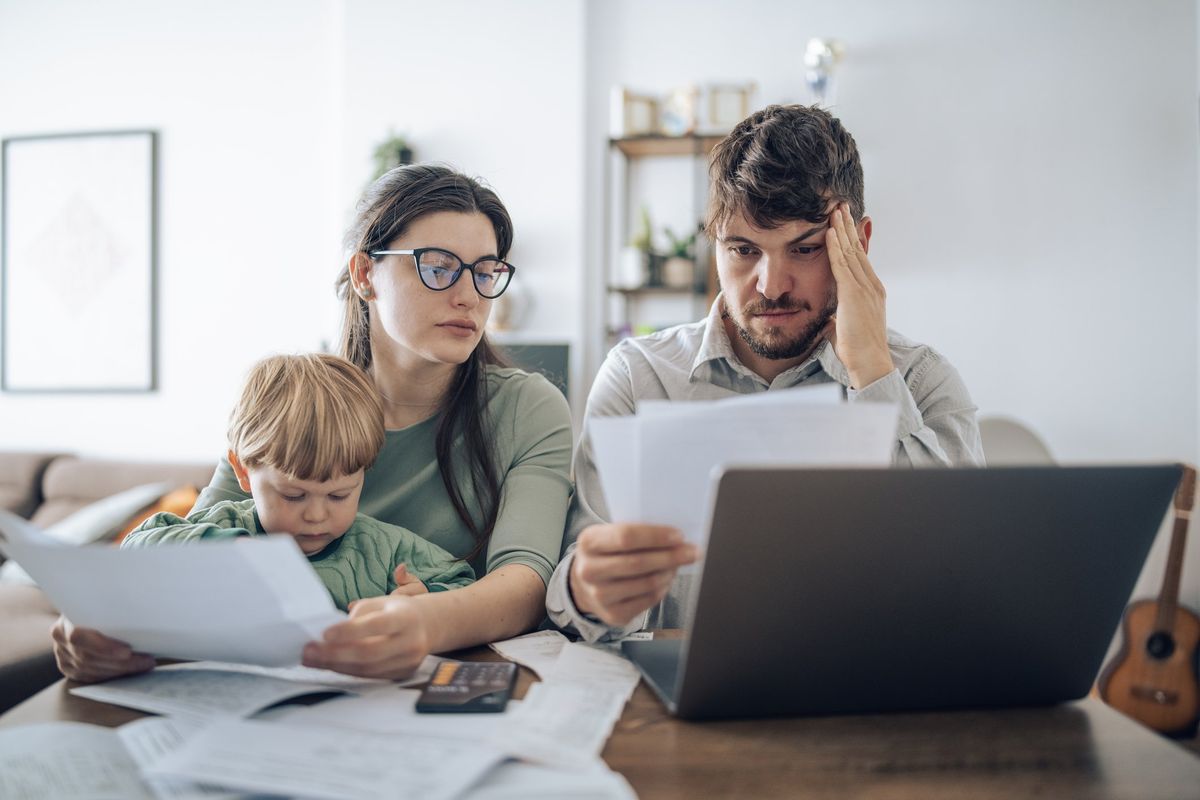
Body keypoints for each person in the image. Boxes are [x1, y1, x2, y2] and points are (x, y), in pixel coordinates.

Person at [52, 164, 573, 683]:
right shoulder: (296, 401)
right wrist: (99, 622)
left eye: (485, 272)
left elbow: (527, 582)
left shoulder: (528, 408)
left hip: (430, 685)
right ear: (365, 274)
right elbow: (197, 550)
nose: (468, 297)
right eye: (438, 267)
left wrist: (426, 622)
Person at [547, 104, 985, 642]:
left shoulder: (922, 380)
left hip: (865, 703)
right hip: (680, 706)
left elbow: (957, 585)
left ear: (859, 244)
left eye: (804, 249)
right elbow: (583, 592)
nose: (770, 284)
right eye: (743, 250)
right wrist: (591, 595)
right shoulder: (640, 376)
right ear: (714, 246)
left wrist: (871, 369)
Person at [121, 353, 476, 609]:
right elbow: (136, 550)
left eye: (339, 495)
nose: (317, 516)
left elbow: (462, 583)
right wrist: (229, 551)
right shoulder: (226, 524)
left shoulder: (383, 551)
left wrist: (424, 604)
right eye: (294, 495)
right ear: (243, 471)